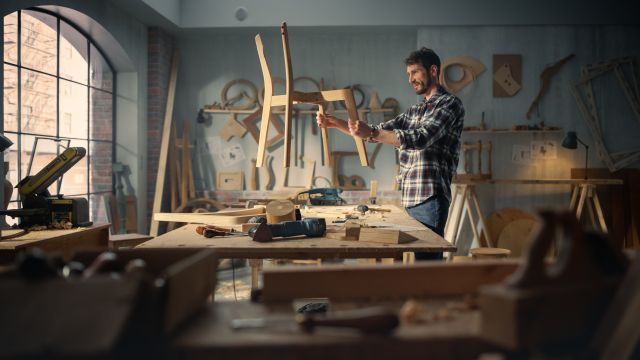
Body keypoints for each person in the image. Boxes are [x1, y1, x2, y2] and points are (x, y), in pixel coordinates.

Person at [316, 47, 464, 260]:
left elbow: (421, 138)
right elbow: (376, 130)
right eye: (408, 74)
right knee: (412, 264)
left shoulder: (450, 104)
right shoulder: (415, 111)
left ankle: (432, 295)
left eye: (415, 72)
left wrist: (373, 132)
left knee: (428, 266)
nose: (410, 79)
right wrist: (335, 123)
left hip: (431, 196)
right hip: (411, 197)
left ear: (433, 71)